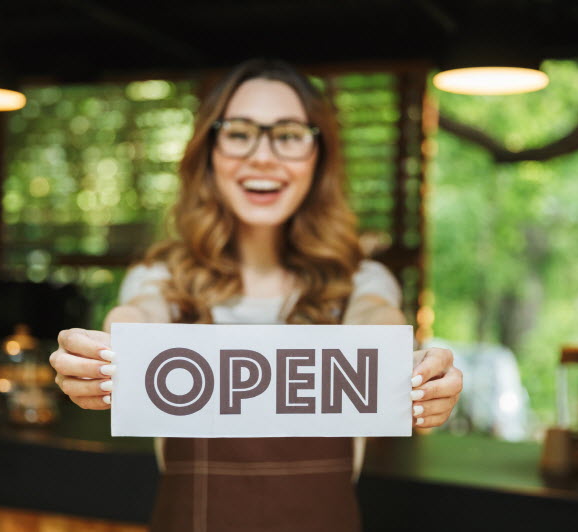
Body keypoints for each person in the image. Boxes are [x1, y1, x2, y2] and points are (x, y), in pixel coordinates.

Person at [50, 58, 463, 532]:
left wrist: (415, 373)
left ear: (318, 155)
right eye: (240, 133)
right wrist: (101, 355)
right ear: (210, 151)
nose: (263, 156)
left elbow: (378, 319)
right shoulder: (162, 278)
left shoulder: (361, 282)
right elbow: (135, 315)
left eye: (288, 135)